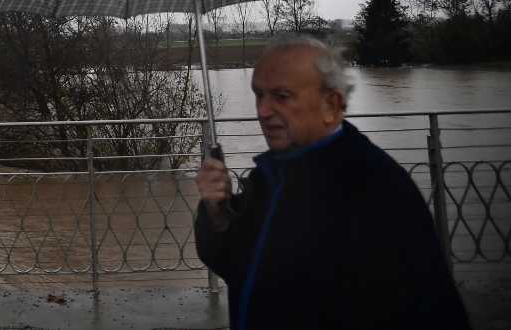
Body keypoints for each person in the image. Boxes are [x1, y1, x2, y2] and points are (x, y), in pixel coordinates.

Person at [195, 34, 469, 329]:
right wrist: (216, 210)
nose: (262, 111)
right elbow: (235, 264)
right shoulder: (268, 176)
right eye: (259, 94)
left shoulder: (376, 188)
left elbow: (432, 310)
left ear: (331, 104)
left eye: (281, 96)